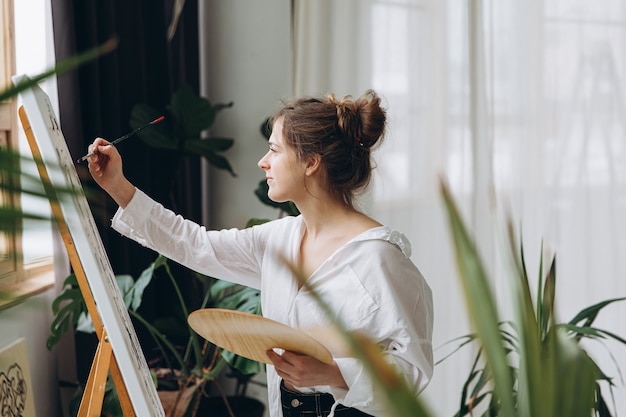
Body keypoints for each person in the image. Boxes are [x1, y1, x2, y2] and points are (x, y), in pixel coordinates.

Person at [87, 89, 433, 417]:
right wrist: (117, 184)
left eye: (274, 150)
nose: (262, 162)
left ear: (311, 162)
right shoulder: (278, 240)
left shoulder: (379, 258)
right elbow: (194, 245)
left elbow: (412, 371)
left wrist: (332, 372)